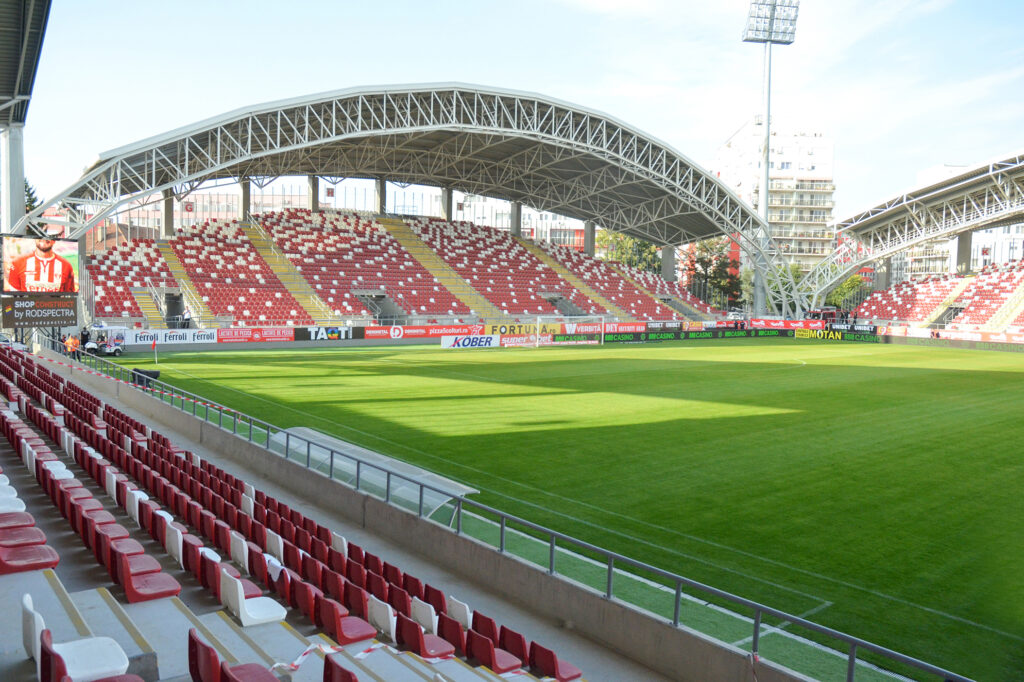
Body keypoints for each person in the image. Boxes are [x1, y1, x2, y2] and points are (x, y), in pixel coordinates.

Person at [5, 231, 76, 293]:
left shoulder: (66, 265)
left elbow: (70, 295)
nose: (44, 240)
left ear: (54, 241)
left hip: (55, 308)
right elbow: (13, 295)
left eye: (49, 238)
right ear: (35, 240)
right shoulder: (18, 263)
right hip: (27, 308)